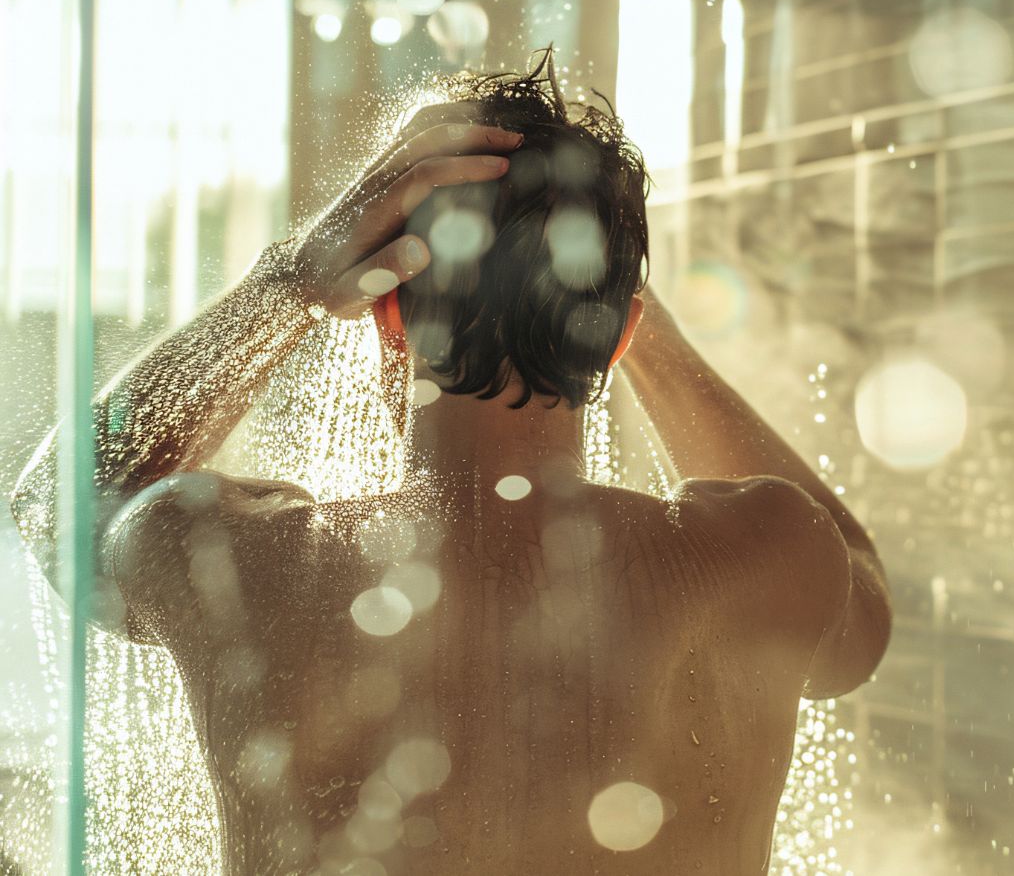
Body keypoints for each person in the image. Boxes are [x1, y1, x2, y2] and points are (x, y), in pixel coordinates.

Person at [10, 61, 891, 875]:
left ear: (387, 316)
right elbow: (864, 599)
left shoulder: (243, 561)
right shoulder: (763, 561)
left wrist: (283, 286)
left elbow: (56, 505)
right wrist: (620, 303)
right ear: (620, 332)